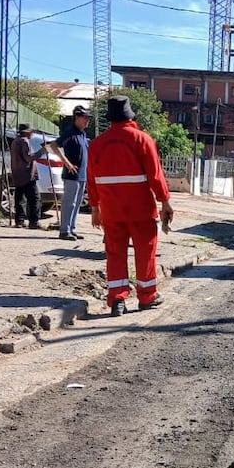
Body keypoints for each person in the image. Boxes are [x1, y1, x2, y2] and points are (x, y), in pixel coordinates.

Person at [86, 95, 174, 317]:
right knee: (145, 252)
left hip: (111, 210)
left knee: (115, 254)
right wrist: (165, 201)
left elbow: (92, 180)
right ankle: (147, 297)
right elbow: (155, 175)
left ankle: (117, 298)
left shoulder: (96, 145)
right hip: (140, 210)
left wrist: (95, 209)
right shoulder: (142, 140)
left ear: (110, 119)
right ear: (130, 116)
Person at [49, 105, 91, 241]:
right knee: (69, 203)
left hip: (82, 175)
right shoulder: (70, 132)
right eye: (85, 118)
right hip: (72, 174)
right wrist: (67, 163)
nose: (87, 121)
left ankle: (71, 228)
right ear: (77, 118)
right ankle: (64, 230)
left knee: (77, 203)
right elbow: (54, 146)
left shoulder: (82, 134)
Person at [10, 123, 44, 230]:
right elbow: (28, 158)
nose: (32, 134)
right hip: (27, 174)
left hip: (18, 173)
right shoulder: (24, 141)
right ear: (27, 132)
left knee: (20, 197)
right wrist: (41, 152)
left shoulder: (15, 141)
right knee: (34, 198)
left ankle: (19, 221)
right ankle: (34, 221)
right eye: (31, 132)